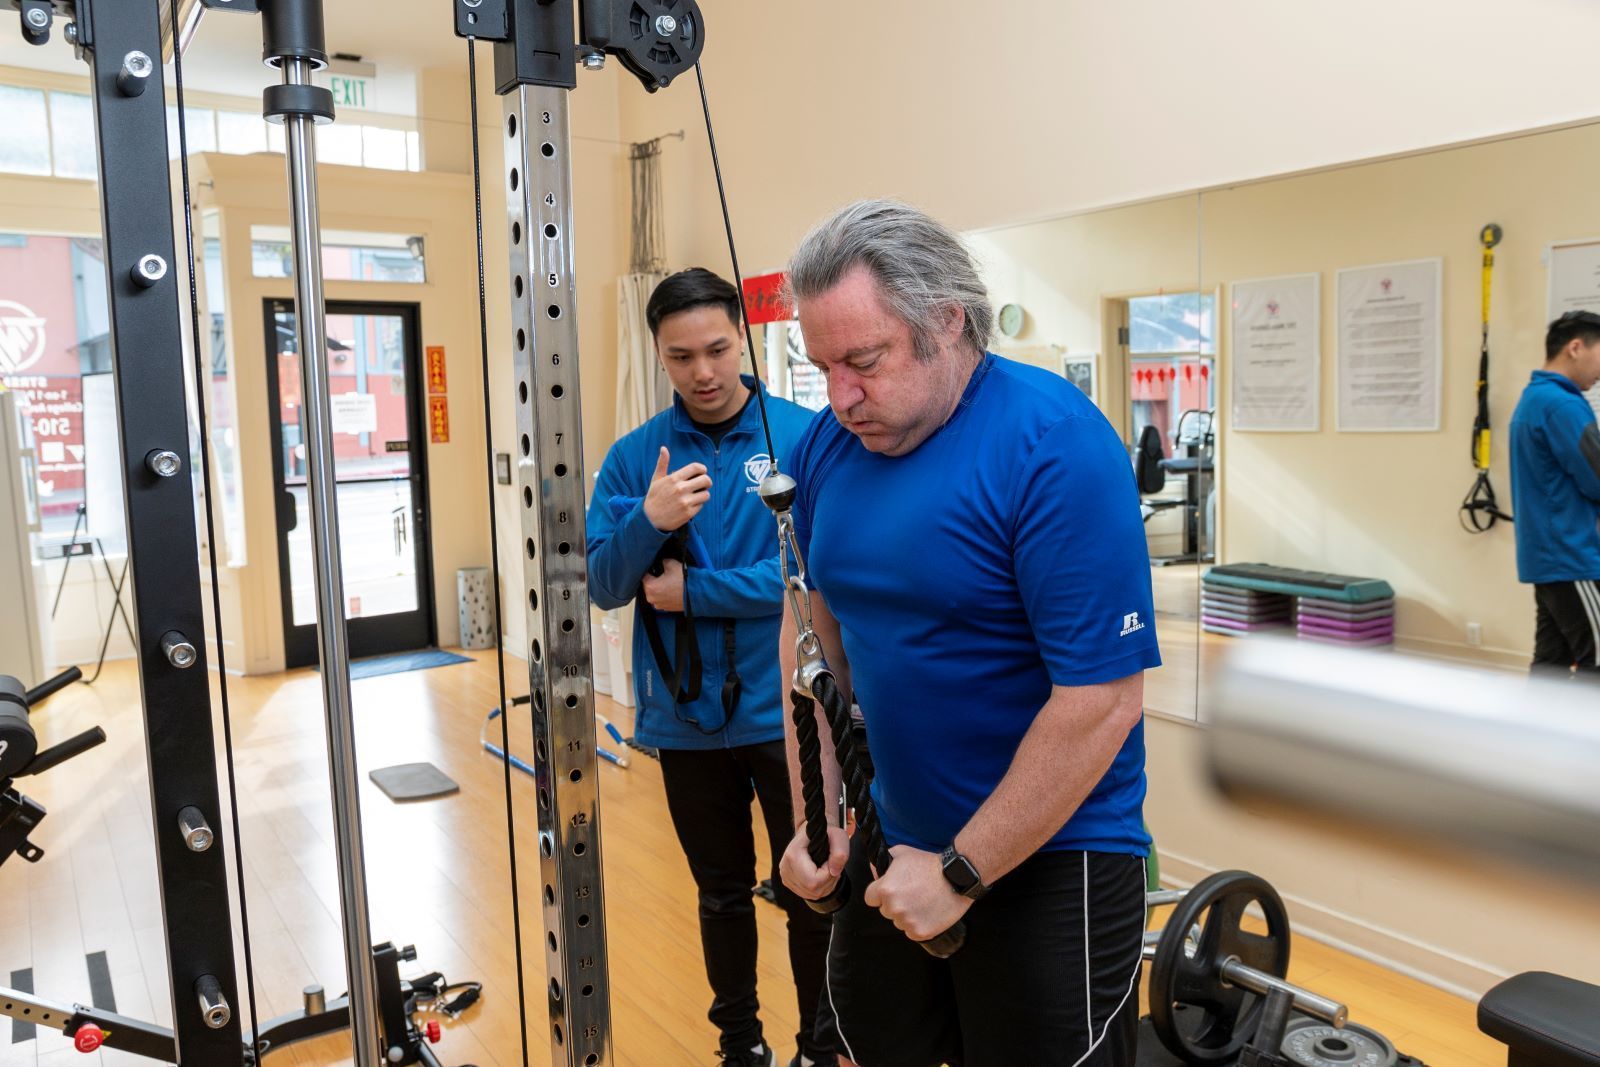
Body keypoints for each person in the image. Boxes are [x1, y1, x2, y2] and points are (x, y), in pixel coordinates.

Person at [774, 200, 1160, 1067]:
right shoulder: (826, 449)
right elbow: (812, 651)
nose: (839, 397)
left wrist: (961, 872)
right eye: (822, 366)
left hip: (1054, 861)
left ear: (946, 322)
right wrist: (818, 822)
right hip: (895, 842)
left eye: (863, 361)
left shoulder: (1055, 445)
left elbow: (1103, 700)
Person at [586, 268, 829, 1067]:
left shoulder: (803, 436)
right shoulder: (635, 458)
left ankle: (817, 1046)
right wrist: (648, 520)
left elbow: (817, 571)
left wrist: (698, 591)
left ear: (743, 339)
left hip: (790, 711)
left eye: (718, 349)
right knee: (721, 893)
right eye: (681, 356)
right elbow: (603, 583)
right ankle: (740, 1045)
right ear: (660, 355)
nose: (704, 372)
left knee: (812, 890)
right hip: (686, 717)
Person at [1509, 309, 1600, 680]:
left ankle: (1539, 722)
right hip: (1572, 555)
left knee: (1552, 661)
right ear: (1575, 348)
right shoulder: (1562, 404)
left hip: (1548, 556)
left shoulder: (1534, 398)